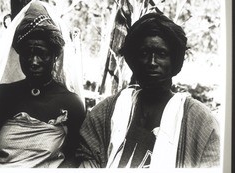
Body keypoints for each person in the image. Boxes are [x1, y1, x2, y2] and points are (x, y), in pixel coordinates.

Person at [76, 12, 220, 168]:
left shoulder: (201, 122)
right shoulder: (104, 114)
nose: (152, 62)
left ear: (174, 61)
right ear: (134, 59)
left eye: (161, 54)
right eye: (144, 53)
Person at [0, 0, 85, 168]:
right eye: (27, 53)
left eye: (41, 53)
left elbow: (75, 156)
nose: (33, 61)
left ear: (55, 56)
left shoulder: (71, 103)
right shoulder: (4, 95)